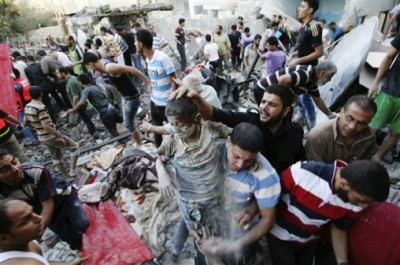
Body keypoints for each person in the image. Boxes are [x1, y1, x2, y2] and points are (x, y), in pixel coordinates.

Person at [267, 159, 390, 265]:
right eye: (360, 200)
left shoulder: (357, 201)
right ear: (344, 184)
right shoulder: (302, 173)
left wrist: (342, 263)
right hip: (279, 237)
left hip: (310, 241)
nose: (363, 207)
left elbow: (339, 228)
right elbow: (269, 198)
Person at [171, 84, 305, 175]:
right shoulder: (250, 120)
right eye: (263, 102)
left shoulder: (295, 134)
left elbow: (299, 167)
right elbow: (214, 114)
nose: (264, 107)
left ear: (286, 110)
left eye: (272, 104)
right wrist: (196, 98)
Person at [201, 123, 280, 265]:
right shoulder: (210, 153)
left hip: (241, 235)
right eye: (236, 156)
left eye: (248, 160)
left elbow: (268, 220)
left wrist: (237, 245)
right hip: (211, 223)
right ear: (228, 141)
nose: (240, 164)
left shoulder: (266, 177)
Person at [0, 149, 89, 250]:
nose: (15, 169)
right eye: (5, 169)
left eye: (14, 162)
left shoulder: (35, 170)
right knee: (71, 239)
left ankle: (84, 205)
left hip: (63, 199)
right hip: (41, 211)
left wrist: (35, 238)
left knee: (83, 223)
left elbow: (48, 205)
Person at [83, 52, 151, 147]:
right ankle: (140, 138)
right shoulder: (104, 65)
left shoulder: (110, 68)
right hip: (126, 98)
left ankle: (140, 144)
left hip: (131, 98)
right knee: (129, 122)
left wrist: (148, 82)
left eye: (90, 67)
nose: (91, 70)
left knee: (128, 124)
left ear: (91, 64)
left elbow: (132, 69)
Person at [0, 200, 87, 264]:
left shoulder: (23, 241)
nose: (39, 218)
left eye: (33, 212)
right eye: (26, 220)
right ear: (4, 238)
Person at [24, 86, 79, 179]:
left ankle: (66, 176)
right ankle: (73, 171)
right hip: (51, 136)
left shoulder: (28, 106)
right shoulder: (40, 107)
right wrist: (62, 136)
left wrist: (36, 127)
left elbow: (25, 122)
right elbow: (46, 126)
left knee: (56, 156)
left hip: (41, 137)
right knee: (74, 147)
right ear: (41, 93)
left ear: (30, 95)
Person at [255, 61, 337, 121]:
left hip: (267, 90)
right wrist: (287, 99)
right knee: (271, 118)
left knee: (284, 115)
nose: (329, 80)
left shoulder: (312, 82)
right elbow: (282, 80)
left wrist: (329, 114)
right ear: (322, 73)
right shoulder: (306, 74)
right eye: (330, 76)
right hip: (263, 89)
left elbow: (318, 100)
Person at [135, 29, 177, 147]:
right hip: (154, 100)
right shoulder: (148, 59)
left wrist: (172, 100)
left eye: (135, 41)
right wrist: (151, 86)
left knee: (171, 129)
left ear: (141, 44)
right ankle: (159, 151)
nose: (134, 44)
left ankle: (175, 150)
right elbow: (154, 77)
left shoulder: (163, 58)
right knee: (155, 129)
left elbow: (174, 79)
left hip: (166, 103)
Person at [306, 95, 377, 163]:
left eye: (361, 123)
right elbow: (314, 170)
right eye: (349, 118)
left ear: (368, 123)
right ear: (341, 112)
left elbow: (365, 162)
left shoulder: (370, 135)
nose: (352, 127)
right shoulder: (318, 136)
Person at [290, 0, 324, 129]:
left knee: (306, 98)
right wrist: (295, 54)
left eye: (302, 6)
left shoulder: (314, 26)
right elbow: (305, 47)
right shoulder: (304, 26)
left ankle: (312, 123)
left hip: (309, 68)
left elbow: (319, 52)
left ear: (310, 10)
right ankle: (300, 114)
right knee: (299, 93)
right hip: (301, 66)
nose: (299, 9)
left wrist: (298, 60)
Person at [368, 33, 400, 164]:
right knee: (371, 127)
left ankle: (377, 157)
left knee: (396, 133)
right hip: (390, 92)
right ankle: (358, 153)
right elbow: (389, 57)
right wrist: (375, 82)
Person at [56, 67, 99, 139]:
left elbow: (75, 96)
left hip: (79, 105)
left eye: (58, 73)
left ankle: (93, 133)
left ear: (63, 73)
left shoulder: (70, 82)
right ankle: (93, 131)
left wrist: (73, 107)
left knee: (86, 120)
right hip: (81, 103)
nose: (57, 75)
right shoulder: (72, 78)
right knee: (87, 119)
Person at [25, 56, 63, 122]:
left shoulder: (26, 69)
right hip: (48, 83)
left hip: (39, 88)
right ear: (34, 59)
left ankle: (53, 120)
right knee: (56, 96)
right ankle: (63, 107)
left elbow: (30, 81)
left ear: (27, 61)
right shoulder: (39, 64)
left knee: (47, 104)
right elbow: (45, 73)